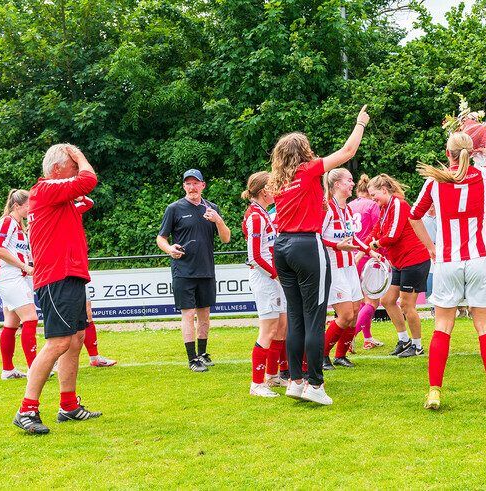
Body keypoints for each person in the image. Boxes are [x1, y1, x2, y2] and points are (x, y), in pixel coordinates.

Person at [269, 105, 369, 406]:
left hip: (282, 247)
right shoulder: (307, 171)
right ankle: (315, 383)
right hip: (306, 245)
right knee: (314, 319)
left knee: (297, 317)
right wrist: (360, 122)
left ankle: (296, 382)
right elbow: (348, 151)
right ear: (304, 152)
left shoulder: (278, 181)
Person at [410, 132, 486, 410]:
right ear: (472, 151)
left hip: (448, 260)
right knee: (485, 327)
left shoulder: (434, 181)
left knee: (443, 326)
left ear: (447, 153)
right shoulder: (485, 176)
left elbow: (414, 216)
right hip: (479, 258)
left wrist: (430, 247)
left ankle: (434, 392)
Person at [14, 144, 101, 435]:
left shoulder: (56, 197)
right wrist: (78, 154)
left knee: (75, 339)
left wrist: (75, 188)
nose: (77, 169)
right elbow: (89, 180)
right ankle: (26, 409)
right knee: (59, 342)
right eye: (71, 165)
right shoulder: (45, 188)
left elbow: (85, 199)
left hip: (69, 275)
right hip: (57, 277)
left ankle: (68, 405)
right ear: (55, 170)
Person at [157, 169, 231, 372]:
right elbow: (161, 238)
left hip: (206, 269)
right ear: (184, 186)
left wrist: (218, 220)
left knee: (204, 314)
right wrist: (170, 249)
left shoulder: (212, 208)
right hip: (183, 270)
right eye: (188, 184)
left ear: (203, 185)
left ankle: (203, 354)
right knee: (188, 313)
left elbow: (226, 238)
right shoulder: (174, 208)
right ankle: (192, 359)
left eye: (195, 183)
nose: (192, 187)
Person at [321, 168, 381, 370]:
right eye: (349, 180)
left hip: (349, 266)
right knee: (345, 315)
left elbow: (352, 237)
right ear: (337, 184)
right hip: (334, 267)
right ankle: (321, 355)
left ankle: (341, 355)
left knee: (355, 313)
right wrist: (338, 246)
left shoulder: (346, 209)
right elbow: (317, 237)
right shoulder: (327, 208)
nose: (353, 184)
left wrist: (368, 251)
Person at [367, 174, 430, 358]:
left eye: (374, 195)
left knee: (407, 304)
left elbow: (392, 235)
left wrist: (376, 244)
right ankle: (404, 340)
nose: (373, 199)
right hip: (400, 262)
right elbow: (376, 231)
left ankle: (417, 346)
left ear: (384, 190)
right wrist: (362, 246)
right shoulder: (385, 207)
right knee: (387, 300)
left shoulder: (398, 204)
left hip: (414, 260)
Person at [241, 171, 288, 397]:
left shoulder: (263, 213)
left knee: (281, 327)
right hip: (265, 278)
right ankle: (256, 384)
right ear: (263, 191)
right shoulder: (256, 217)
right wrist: (276, 274)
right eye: (272, 186)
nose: (276, 189)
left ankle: (272, 376)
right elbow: (254, 256)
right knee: (268, 329)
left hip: (272, 277)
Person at [0, 189, 38, 380]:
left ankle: (8, 370)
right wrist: (24, 267)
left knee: (11, 323)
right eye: (28, 206)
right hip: (10, 277)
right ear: (17, 206)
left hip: (12, 277)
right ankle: (35, 369)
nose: (31, 209)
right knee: (31, 318)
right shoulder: (8, 222)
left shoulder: (18, 225)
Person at [74, 195, 117, 368]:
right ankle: (55, 360)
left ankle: (94, 357)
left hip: (79, 269)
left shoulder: (73, 209)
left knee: (87, 312)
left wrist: (76, 193)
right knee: (64, 319)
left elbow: (89, 203)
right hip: (62, 273)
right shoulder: (53, 213)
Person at [347, 174, 385, 350]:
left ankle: (367, 337)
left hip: (352, 256)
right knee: (372, 302)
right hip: (368, 256)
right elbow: (379, 230)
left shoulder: (349, 206)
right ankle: (350, 338)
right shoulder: (372, 205)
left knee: (362, 302)